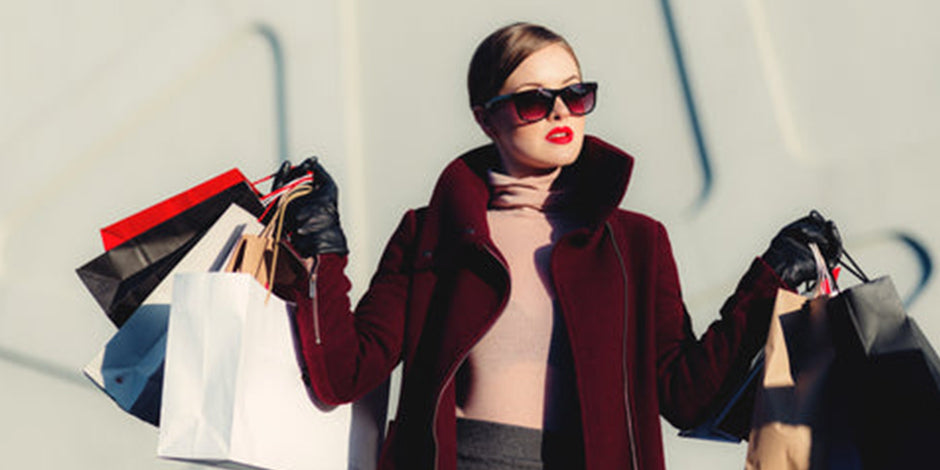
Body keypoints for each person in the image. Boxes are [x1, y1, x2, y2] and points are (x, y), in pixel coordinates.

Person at [273, 22, 842, 470]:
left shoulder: (636, 243)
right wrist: (321, 247)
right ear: (486, 118)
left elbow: (685, 396)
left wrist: (770, 279)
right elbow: (343, 373)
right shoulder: (431, 233)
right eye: (532, 101)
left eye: (576, 93)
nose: (561, 113)